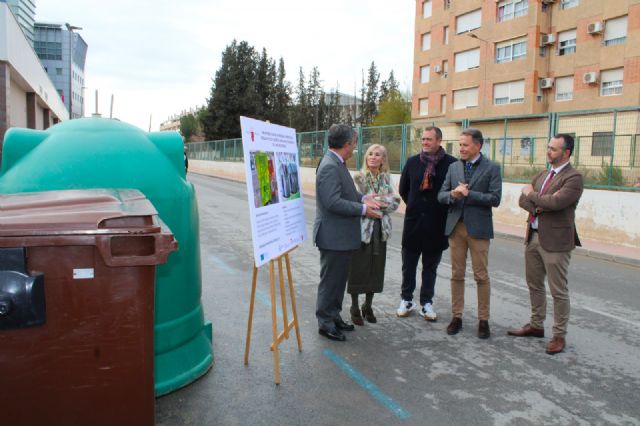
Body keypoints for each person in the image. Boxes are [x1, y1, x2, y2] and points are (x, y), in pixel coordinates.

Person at [508, 134, 584, 355]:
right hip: (533, 236)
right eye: (548, 147)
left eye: (553, 148)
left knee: (558, 290)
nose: (548, 151)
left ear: (566, 153)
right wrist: (540, 204)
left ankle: (559, 335)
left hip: (556, 241)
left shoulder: (574, 177)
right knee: (534, 284)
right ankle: (536, 325)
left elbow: (558, 202)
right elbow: (523, 200)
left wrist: (533, 196)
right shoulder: (543, 174)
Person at [314, 124, 382, 342]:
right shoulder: (329, 166)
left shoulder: (338, 163)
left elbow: (347, 193)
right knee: (330, 282)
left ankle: (334, 316)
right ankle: (325, 323)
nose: (355, 147)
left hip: (341, 238)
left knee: (338, 282)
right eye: (353, 143)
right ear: (345, 144)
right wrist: (363, 210)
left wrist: (363, 198)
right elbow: (332, 202)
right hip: (333, 237)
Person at [437, 128, 502, 339]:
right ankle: (457, 316)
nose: (461, 148)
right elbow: (441, 195)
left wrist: (469, 194)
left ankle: (484, 320)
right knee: (456, 274)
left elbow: (495, 199)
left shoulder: (492, 168)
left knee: (481, 276)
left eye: (465, 144)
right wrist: (453, 195)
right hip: (456, 227)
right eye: (460, 144)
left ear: (478, 146)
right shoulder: (454, 167)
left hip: (479, 228)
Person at [396, 126, 456, 321]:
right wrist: (415, 207)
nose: (425, 143)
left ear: (439, 141)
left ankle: (426, 303)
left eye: (429, 139)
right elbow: (404, 189)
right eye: (423, 139)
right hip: (413, 224)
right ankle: (406, 299)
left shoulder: (451, 164)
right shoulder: (413, 162)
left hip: (437, 225)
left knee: (430, 267)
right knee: (409, 265)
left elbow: (453, 193)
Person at [347, 144, 400, 326]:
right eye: (370, 154)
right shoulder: (358, 178)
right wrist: (380, 202)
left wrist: (377, 202)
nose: (373, 157)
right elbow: (355, 201)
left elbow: (395, 201)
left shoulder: (387, 178)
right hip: (361, 230)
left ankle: (368, 305)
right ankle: (354, 306)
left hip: (380, 230)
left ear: (383, 159)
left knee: (376, 268)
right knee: (358, 267)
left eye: (377, 155)